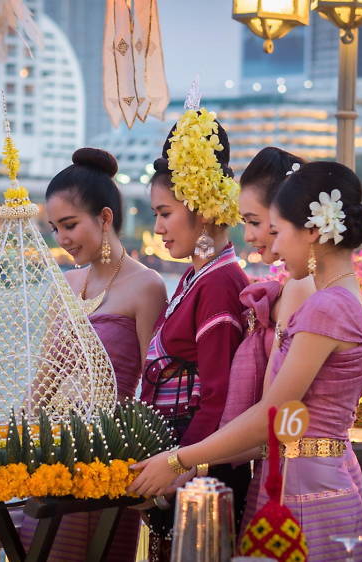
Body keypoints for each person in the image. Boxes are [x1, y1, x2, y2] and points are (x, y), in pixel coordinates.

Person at [131, 161, 362, 562]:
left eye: (277, 232)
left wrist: (179, 460)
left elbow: (273, 411)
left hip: (305, 489)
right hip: (310, 475)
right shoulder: (343, 299)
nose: (273, 247)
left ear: (313, 231)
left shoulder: (327, 307)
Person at [19, 147, 166, 561]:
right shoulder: (66, 283)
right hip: (54, 458)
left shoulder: (147, 287)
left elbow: (153, 391)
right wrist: (12, 444)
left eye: (70, 225)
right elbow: (46, 379)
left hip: (108, 461)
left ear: (104, 217)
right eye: (55, 229)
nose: (63, 239)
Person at [139, 107, 250, 560]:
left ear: (202, 210)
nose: (158, 227)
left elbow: (218, 397)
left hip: (200, 474)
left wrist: (181, 467)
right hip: (181, 463)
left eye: (165, 213)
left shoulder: (220, 283)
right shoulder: (198, 276)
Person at [220, 147, 316, 529]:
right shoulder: (296, 283)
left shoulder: (300, 287)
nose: (248, 235)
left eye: (254, 221)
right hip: (281, 460)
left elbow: (273, 408)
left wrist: (185, 460)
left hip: (292, 472)